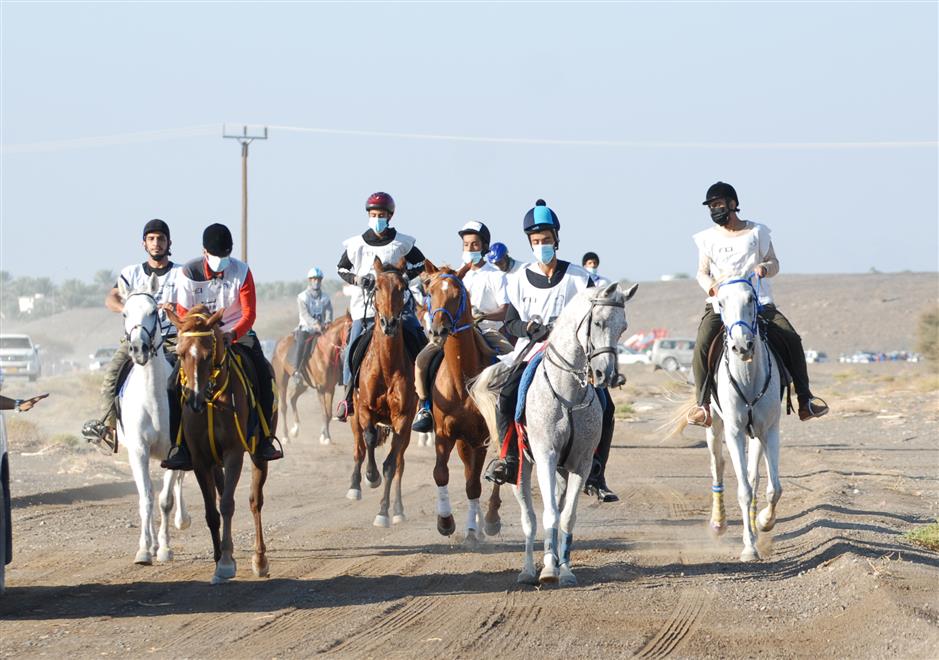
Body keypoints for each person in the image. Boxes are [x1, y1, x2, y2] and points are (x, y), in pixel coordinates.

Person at [483, 200, 621, 502]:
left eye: (546, 240)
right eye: (535, 241)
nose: (541, 245)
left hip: (571, 356)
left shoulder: (576, 278)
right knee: (506, 398)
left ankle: (597, 473)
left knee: (606, 406)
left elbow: (590, 316)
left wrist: (562, 328)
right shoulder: (517, 279)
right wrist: (529, 329)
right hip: (531, 352)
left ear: (556, 239)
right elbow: (511, 323)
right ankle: (508, 459)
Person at [688, 181, 829, 427]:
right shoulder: (706, 238)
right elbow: (701, 272)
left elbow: (774, 262)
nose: (715, 210)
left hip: (758, 302)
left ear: (733, 205)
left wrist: (765, 267)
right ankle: (702, 406)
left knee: (792, 339)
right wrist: (712, 286)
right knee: (701, 344)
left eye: (719, 204)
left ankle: (805, 400)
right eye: (711, 206)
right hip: (721, 304)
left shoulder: (757, 232)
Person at [161, 223, 283, 469]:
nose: (222, 261)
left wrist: (232, 335)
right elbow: (184, 312)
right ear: (205, 252)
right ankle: (180, 446)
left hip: (236, 333)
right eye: (217, 256)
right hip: (200, 334)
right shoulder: (188, 272)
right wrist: (201, 330)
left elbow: (249, 313)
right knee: (172, 383)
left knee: (263, 372)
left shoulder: (242, 271)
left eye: (226, 256)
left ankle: (265, 440)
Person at [81, 219, 181, 450]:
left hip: (173, 338)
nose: (156, 243)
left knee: (191, 377)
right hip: (138, 339)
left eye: (161, 239)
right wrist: (126, 309)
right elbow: (111, 298)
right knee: (111, 375)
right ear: (144, 243)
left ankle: (197, 428)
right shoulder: (131, 273)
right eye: (151, 239)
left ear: (169, 242)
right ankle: (108, 427)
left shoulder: (181, 273)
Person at [412, 220, 512, 433]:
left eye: (474, 244)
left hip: (487, 330)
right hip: (451, 332)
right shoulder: (454, 276)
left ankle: (510, 414)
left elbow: (505, 310)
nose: (470, 249)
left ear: (484, 246)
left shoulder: (496, 275)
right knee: (421, 361)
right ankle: (426, 407)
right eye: (466, 245)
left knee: (512, 361)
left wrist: (482, 316)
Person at [335, 192, 427, 421]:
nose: (378, 218)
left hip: (399, 308)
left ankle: (426, 400)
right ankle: (347, 398)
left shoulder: (402, 242)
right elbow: (341, 268)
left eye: (382, 215)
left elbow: (421, 264)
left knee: (420, 341)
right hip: (364, 308)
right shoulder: (356, 244)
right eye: (374, 214)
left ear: (390, 216)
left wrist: (403, 279)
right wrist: (358, 280)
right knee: (351, 349)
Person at [292, 267, 333, 383]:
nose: (316, 282)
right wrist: (315, 324)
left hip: (321, 330)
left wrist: (328, 322)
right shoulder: (302, 297)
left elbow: (329, 311)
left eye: (318, 279)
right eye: (314, 279)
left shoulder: (325, 297)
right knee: (301, 344)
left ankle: (338, 372)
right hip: (306, 328)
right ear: (309, 280)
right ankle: (297, 371)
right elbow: (304, 314)